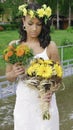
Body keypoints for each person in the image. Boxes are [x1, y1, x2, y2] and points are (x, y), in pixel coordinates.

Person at [6, 2, 60, 130]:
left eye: (39, 24)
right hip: (24, 104)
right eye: (30, 23)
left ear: (43, 25)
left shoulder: (50, 46)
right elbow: (9, 77)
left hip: (46, 103)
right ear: (23, 21)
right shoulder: (14, 46)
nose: (34, 28)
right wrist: (14, 73)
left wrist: (50, 91)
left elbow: (58, 76)